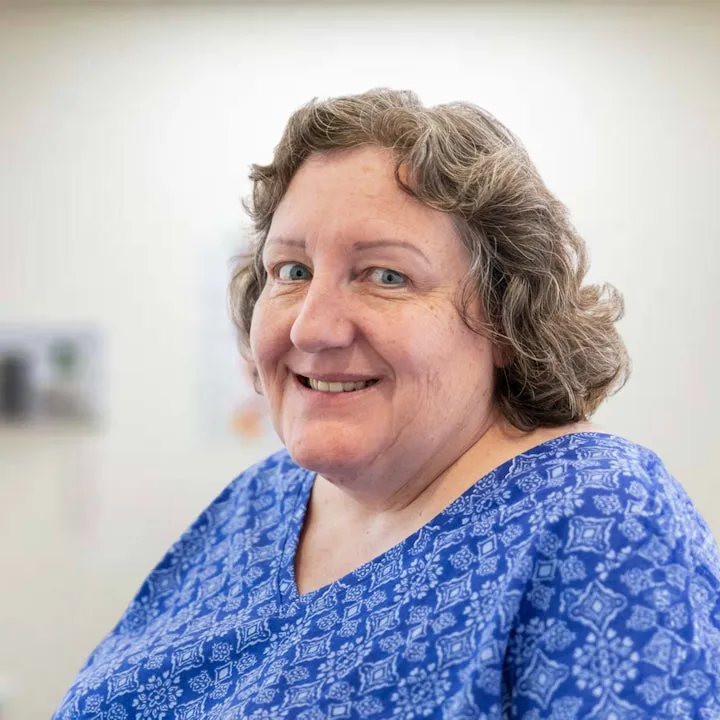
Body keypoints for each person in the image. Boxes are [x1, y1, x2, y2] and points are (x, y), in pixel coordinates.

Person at [54, 89, 720, 719]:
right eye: (292, 271)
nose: (312, 328)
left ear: (506, 320)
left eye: (386, 276)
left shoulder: (601, 516)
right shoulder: (260, 502)